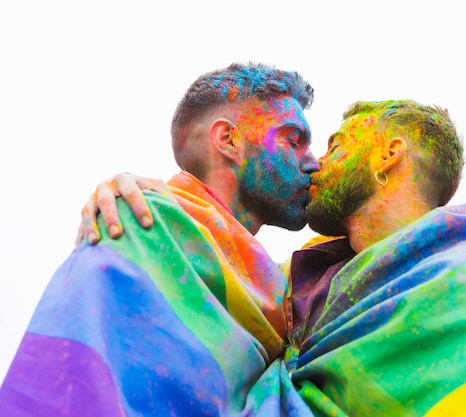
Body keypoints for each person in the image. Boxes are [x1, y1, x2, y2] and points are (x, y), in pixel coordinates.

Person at [76, 100, 466, 416]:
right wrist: (157, 202)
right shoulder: (295, 281)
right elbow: (206, 279)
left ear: (389, 155)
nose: (314, 164)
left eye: (335, 144)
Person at [0, 62, 320, 416]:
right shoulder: (139, 228)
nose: (313, 162)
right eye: (294, 140)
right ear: (228, 140)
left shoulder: (287, 289)